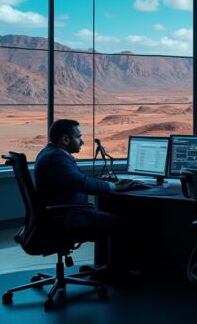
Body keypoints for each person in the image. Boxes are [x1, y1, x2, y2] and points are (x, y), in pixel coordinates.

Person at [34, 119, 137, 281]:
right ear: (65, 139)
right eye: (79, 137)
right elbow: (80, 183)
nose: (82, 141)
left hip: (59, 212)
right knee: (120, 224)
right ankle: (114, 271)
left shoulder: (49, 152)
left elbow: (75, 179)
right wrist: (113, 187)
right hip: (67, 216)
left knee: (106, 216)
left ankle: (106, 266)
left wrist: (107, 184)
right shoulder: (57, 158)